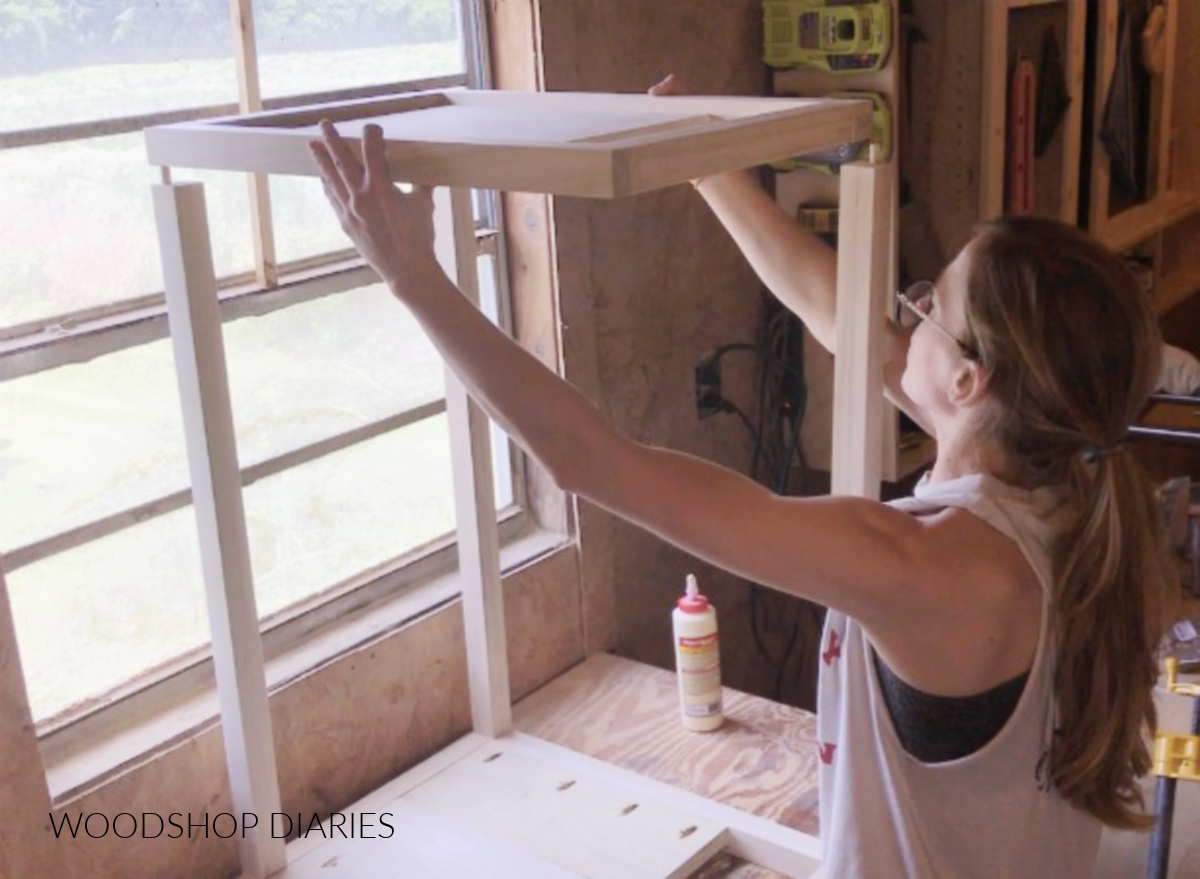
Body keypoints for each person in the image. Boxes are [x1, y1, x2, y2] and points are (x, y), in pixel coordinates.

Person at [308, 80, 1168, 876]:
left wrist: (412, 275)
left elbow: (593, 462)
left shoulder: (929, 565)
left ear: (969, 381)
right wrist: (712, 163)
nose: (906, 311)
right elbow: (839, 315)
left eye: (927, 304)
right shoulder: (1077, 491)